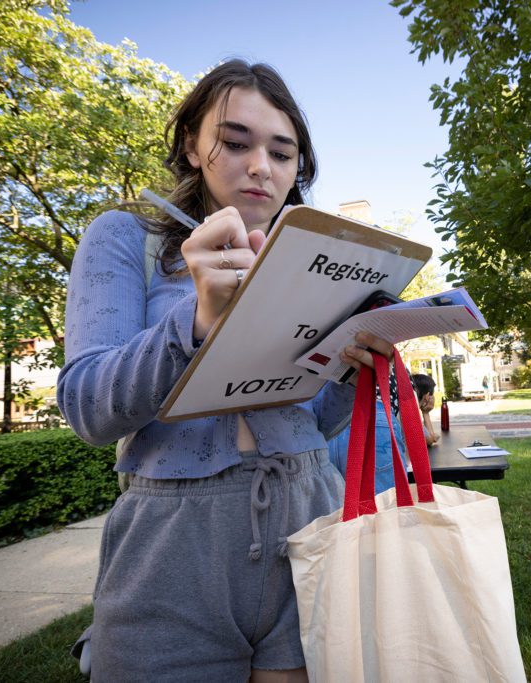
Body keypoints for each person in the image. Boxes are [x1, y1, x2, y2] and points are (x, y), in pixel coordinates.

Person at [57, 60, 396, 682]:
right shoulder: (125, 238)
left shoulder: (313, 261)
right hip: (177, 540)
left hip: (306, 513)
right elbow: (86, 407)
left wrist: (349, 369)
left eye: (282, 152)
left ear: (299, 167)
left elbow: (313, 423)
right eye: (235, 142)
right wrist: (196, 324)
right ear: (191, 145)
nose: (261, 166)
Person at [411, 373, 439, 446]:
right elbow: (429, 440)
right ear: (427, 396)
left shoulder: (405, 409)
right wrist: (426, 413)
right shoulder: (411, 415)